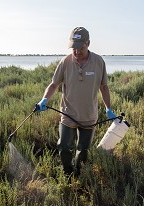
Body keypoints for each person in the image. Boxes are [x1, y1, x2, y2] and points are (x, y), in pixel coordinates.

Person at [37, 26, 116, 176]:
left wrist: (108, 109)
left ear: (88, 43)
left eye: (81, 47)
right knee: (64, 146)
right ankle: (67, 174)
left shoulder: (99, 62)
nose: (77, 51)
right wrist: (44, 99)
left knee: (83, 150)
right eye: (74, 47)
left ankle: (78, 174)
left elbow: (104, 87)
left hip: (89, 116)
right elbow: (54, 84)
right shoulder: (65, 62)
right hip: (68, 113)